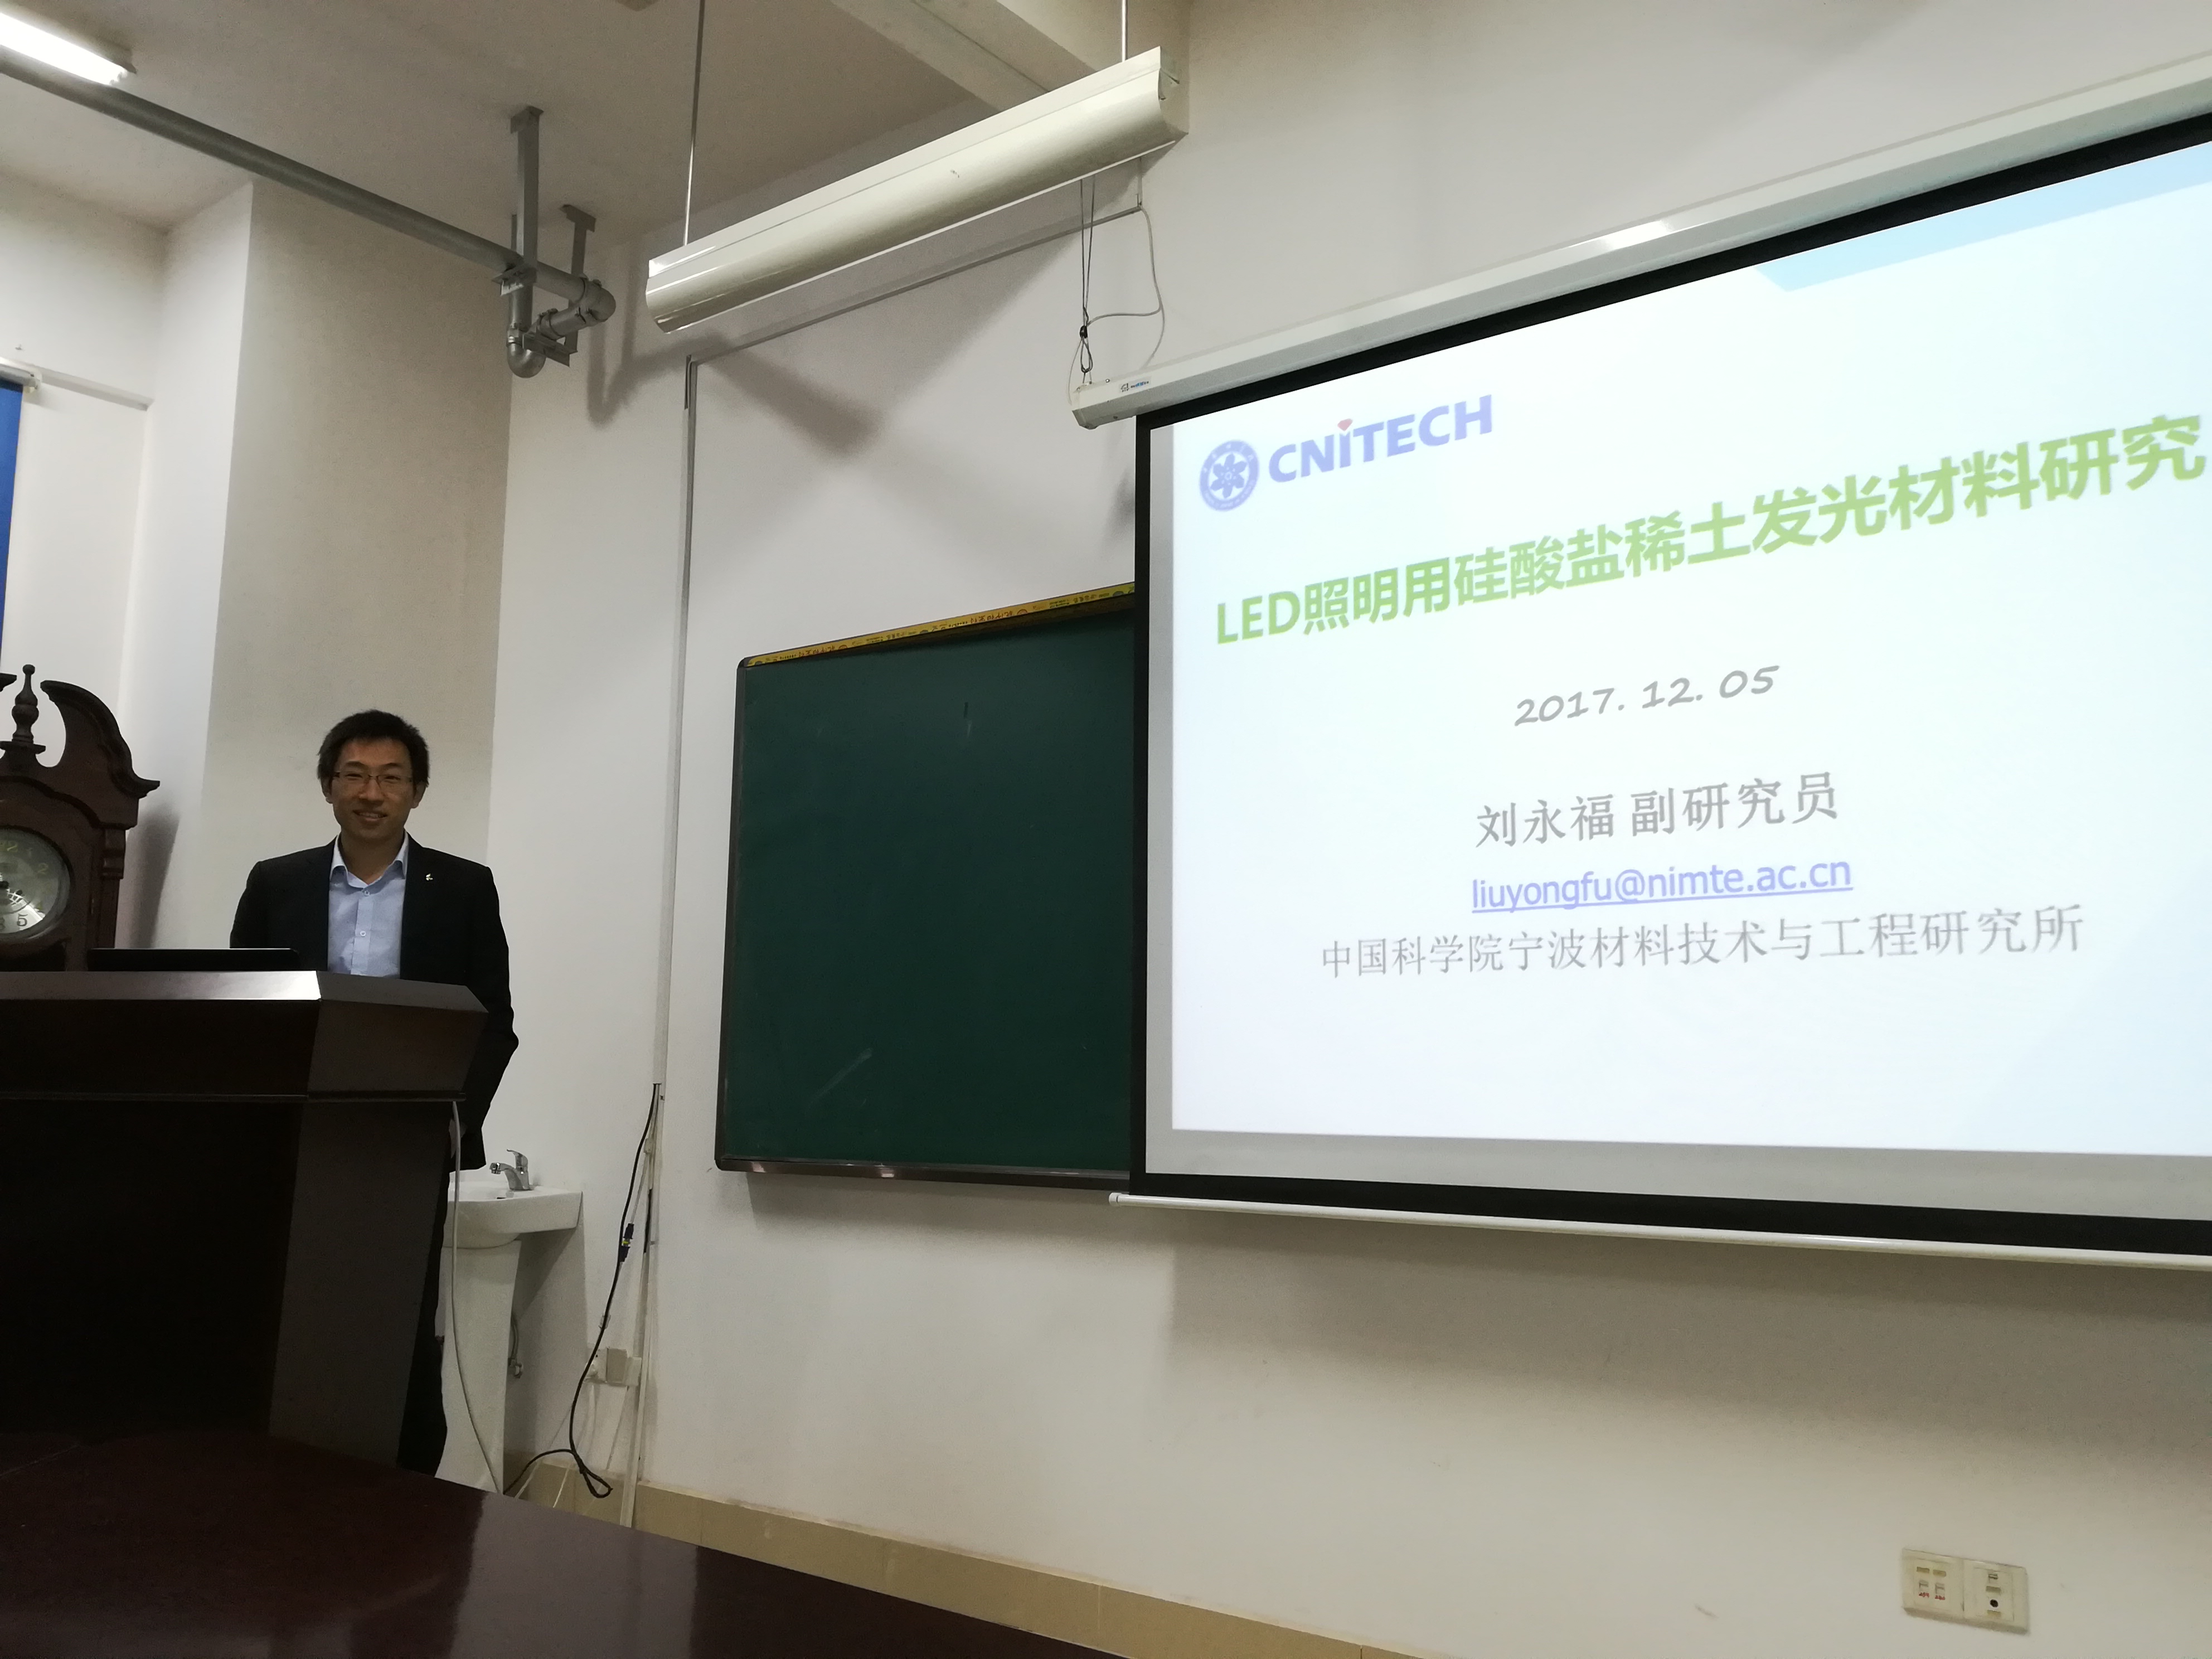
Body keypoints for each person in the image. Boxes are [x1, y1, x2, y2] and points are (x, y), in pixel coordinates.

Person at [230, 709, 517, 1475]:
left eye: (391, 778)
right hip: (297, 1140)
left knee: (399, 1319)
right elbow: (242, 1008)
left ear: (417, 792)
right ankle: (280, 1474)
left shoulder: (463, 888)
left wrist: (452, 1123)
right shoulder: (276, 883)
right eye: (354, 775)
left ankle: (406, 1487)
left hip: (407, 1141)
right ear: (328, 786)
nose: (371, 793)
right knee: (290, 1312)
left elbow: (493, 1023)